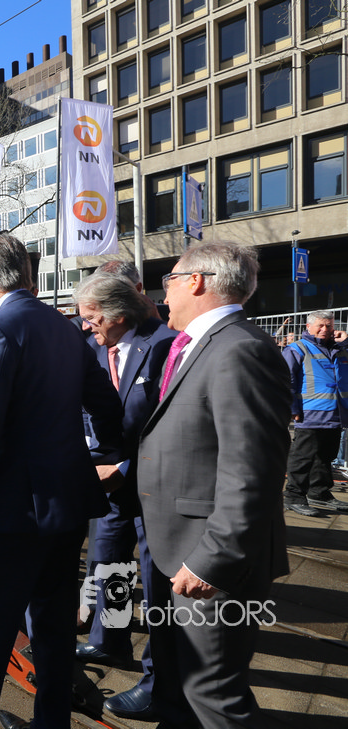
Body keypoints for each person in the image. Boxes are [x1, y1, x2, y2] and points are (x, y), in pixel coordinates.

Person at [0, 233, 124, 729]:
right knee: (54, 630)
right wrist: (100, 456)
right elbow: (107, 405)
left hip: (11, 515)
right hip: (66, 507)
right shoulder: (66, 330)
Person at [139, 243, 292, 728]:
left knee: (213, 693)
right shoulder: (201, 343)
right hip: (179, 548)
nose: (164, 294)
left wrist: (213, 559)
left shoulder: (239, 348)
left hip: (209, 559)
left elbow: (252, 471)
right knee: (181, 684)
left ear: (197, 280)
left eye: (169, 280)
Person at [72, 271, 176, 722]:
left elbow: (169, 426)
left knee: (157, 588)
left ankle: (160, 682)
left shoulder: (163, 345)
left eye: (91, 316)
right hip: (107, 485)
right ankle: (109, 639)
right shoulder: (93, 347)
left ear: (118, 315)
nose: (85, 325)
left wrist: (126, 468)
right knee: (109, 561)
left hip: (151, 483)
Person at [281, 310, 348, 516]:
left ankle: (319, 492)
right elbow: (286, 379)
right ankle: (294, 496)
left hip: (335, 413)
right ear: (308, 327)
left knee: (326, 456)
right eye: (320, 325)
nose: (325, 329)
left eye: (329, 325)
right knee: (303, 456)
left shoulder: (339, 348)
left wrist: (346, 341)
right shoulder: (297, 348)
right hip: (310, 412)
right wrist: (292, 408)